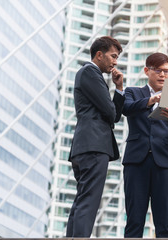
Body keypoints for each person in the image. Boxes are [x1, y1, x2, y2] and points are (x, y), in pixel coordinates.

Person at [122, 52, 168, 238]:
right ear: (146, 71)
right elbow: (125, 109)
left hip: (165, 163)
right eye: (158, 70)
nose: (163, 75)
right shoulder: (132, 92)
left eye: (167, 71)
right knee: (134, 221)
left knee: (165, 223)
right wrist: (151, 100)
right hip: (136, 162)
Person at [66, 36, 125, 238]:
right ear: (99, 55)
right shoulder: (90, 72)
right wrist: (112, 100)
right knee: (89, 201)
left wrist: (119, 88)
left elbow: (114, 116)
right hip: (93, 146)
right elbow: (110, 112)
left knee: (83, 200)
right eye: (113, 56)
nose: (115, 62)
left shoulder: (90, 74)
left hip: (85, 146)